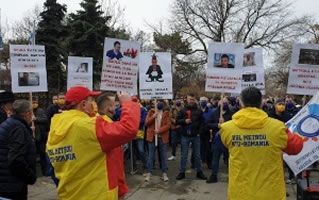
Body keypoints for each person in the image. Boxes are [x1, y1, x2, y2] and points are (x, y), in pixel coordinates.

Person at [46, 86, 140, 200]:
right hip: (96, 194)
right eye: (92, 100)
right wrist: (128, 103)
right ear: (84, 104)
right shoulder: (87, 126)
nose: (95, 104)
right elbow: (128, 129)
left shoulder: (55, 128)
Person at [220, 87, 303, 200]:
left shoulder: (227, 128)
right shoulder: (277, 127)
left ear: (241, 103)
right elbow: (296, 147)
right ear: (261, 103)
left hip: (240, 193)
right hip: (271, 193)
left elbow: (221, 145)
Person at [0, 100, 37, 200]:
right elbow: (16, 159)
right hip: (12, 186)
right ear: (27, 114)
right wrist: (30, 176)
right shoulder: (18, 128)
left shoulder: (9, 123)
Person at [176, 94, 207, 180]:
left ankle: (199, 172)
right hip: (185, 136)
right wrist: (184, 121)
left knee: (197, 155)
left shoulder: (198, 111)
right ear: (187, 100)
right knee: (184, 155)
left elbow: (202, 123)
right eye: (190, 99)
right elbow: (177, 121)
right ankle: (182, 172)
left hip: (195, 136)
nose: (192, 101)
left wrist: (199, 132)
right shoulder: (182, 110)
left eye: (193, 99)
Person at [206, 97, 234, 183]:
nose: (224, 104)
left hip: (228, 140)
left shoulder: (232, 114)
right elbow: (208, 124)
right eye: (223, 103)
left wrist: (225, 124)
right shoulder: (214, 113)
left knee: (230, 159)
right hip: (217, 140)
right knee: (215, 158)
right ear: (219, 103)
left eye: (226, 103)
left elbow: (235, 125)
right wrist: (217, 125)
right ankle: (214, 175)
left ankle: (231, 177)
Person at [144, 100, 171, 182]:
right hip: (152, 137)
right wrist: (153, 117)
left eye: (161, 102)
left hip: (162, 137)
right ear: (154, 103)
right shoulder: (151, 112)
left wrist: (159, 130)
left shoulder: (166, 113)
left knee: (163, 155)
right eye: (158, 102)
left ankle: (164, 173)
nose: (159, 104)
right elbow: (146, 123)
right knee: (151, 156)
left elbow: (168, 125)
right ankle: (149, 173)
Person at [32, 98, 49, 176]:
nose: (34, 104)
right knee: (33, 155)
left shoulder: (41, 111)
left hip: (41, 137)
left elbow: (45, 120)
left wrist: (36, 119)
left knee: (43, 154)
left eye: (35, 102)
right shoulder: (28, 111)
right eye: (33, 103)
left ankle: (45, 171)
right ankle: (33, 172)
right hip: (33, 137)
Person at [131, 96, 148, 175]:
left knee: (141, 150)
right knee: (132, 151)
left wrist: (133, 120)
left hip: (139, 133)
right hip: (130, 132)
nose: (134, 102)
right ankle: (134, 167)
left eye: (135, 101)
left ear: (138, 101)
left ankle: (145, 167)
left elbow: (143, 120)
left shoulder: (143, 109)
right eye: (133, 101)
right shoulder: (129, 108)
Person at [199, 96, 213, 169]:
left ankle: (209, 163)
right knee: (198, 148)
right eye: (201, 101)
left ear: (207, 102)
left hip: (207, 132)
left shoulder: (211, 111)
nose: (203, 102)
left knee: (208, 149)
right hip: (199, 132)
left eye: (204, 100)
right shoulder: (197, 110)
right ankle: (196, 162)